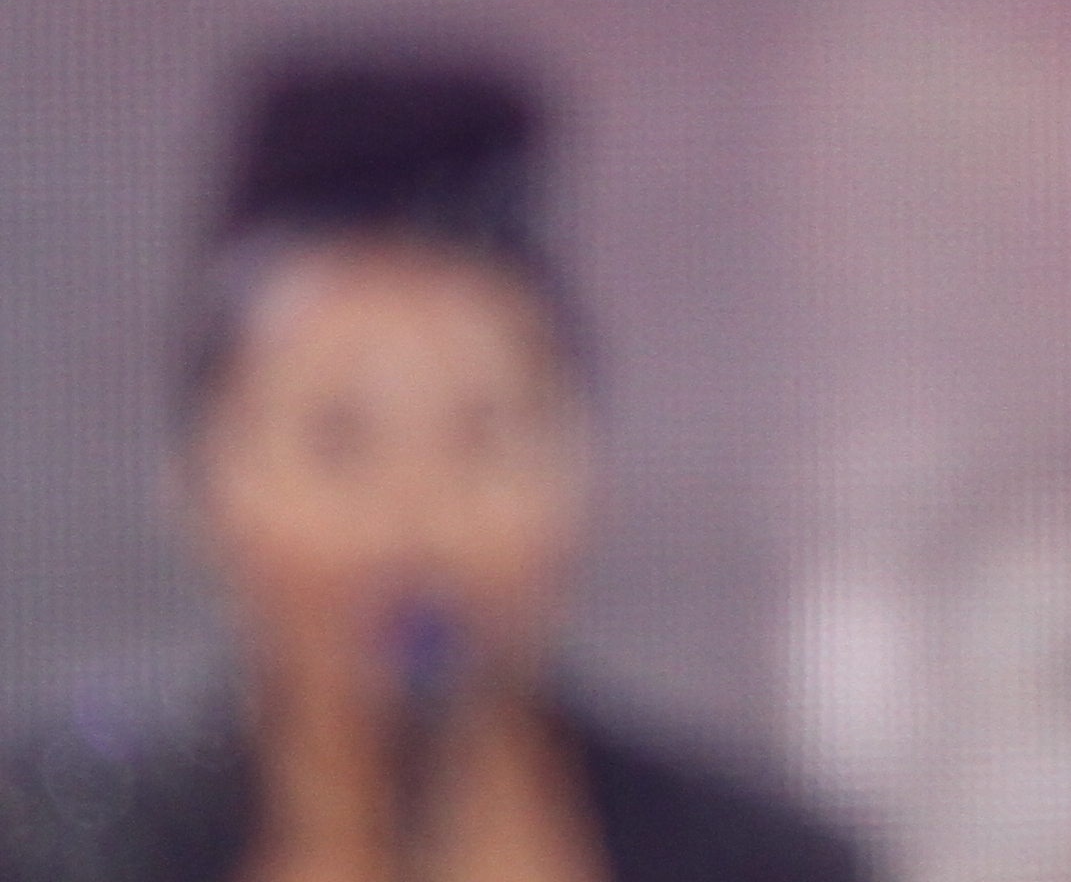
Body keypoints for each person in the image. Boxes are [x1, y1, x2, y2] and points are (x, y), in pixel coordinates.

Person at [0, 47, 872, 882]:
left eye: (484, 435)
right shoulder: (50, 840)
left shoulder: (767, 864)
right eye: (339, 439)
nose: (414, 520)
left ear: (586, 479)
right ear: (201, 484)